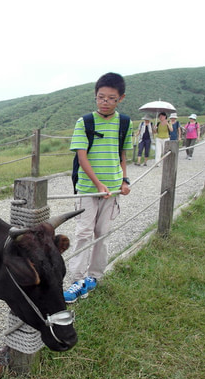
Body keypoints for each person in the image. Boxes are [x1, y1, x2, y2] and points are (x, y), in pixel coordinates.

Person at [64, 72, 133, 303]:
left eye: (111, 98)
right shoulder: (85, 122)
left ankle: (94, 276)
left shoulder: (125, 123)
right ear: (95, 96)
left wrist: (124, 180)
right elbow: (82, 157)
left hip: (112, 189)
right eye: (100, 97)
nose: (105, 102)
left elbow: (122, 154)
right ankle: (77, 280)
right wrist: (97, 184)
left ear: (120, 98)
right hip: (88, 188)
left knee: (102, 233)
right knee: (84, 232)